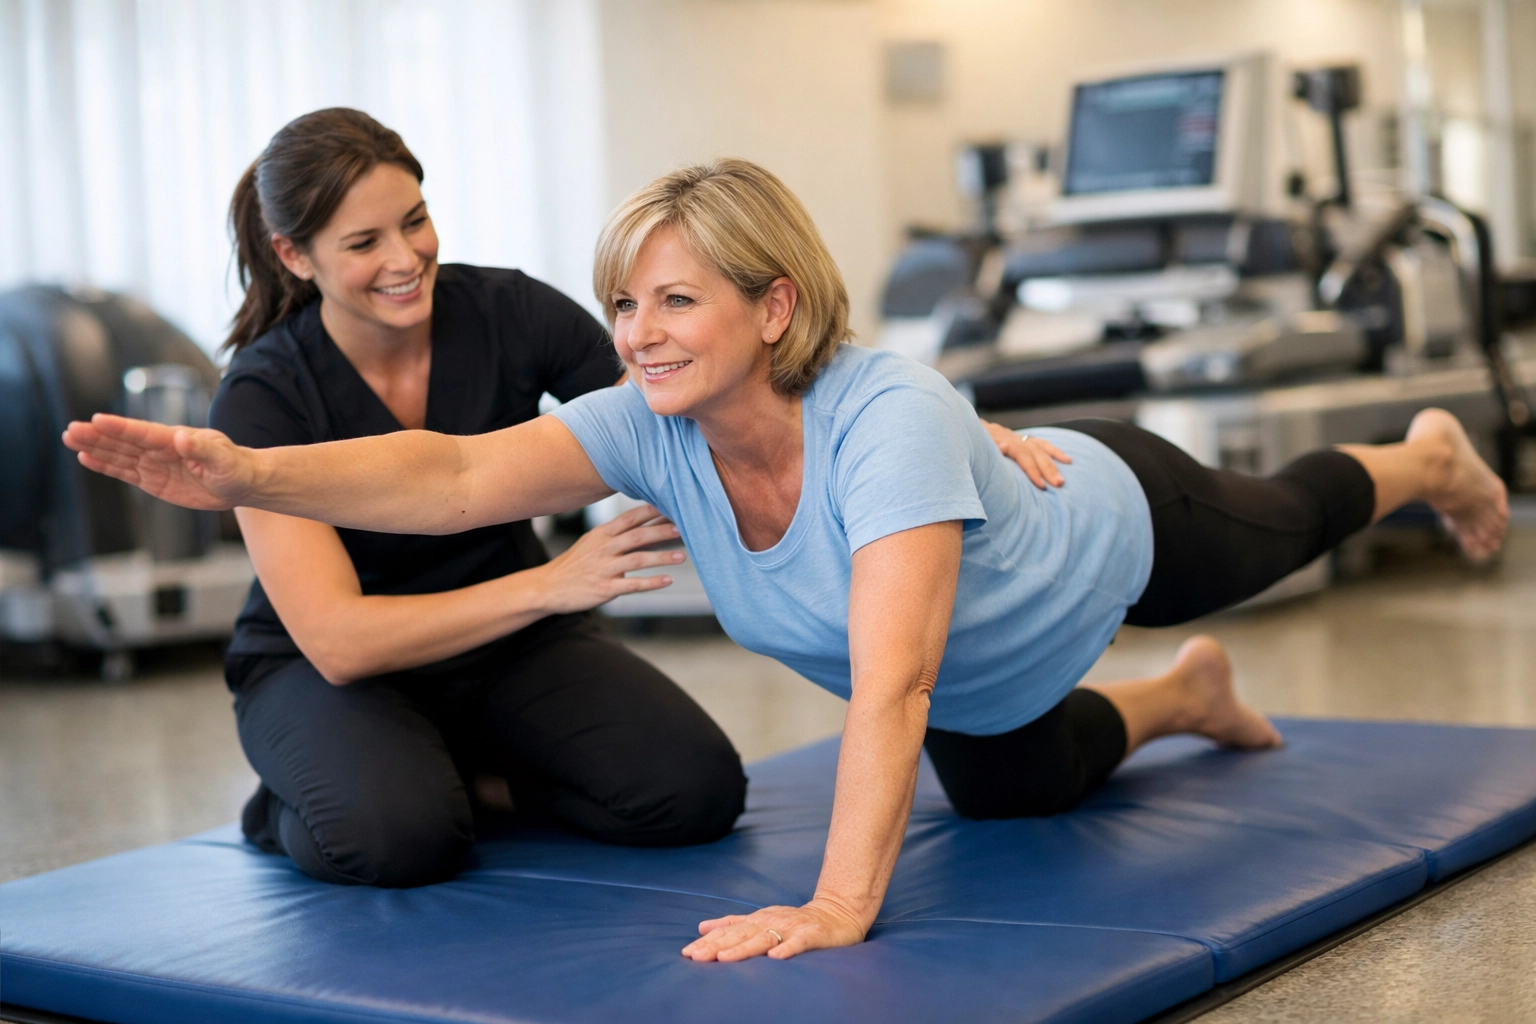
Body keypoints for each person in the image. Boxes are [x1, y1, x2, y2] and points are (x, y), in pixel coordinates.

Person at [65, 158, 1509, 959]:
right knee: (1012, 783)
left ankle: (1426, 458)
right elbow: (446, 478)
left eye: (675, 300)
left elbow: (888, 691)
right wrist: (247, 471)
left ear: (773, 306)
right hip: (994, 677)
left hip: (1113, 525)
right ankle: (1184, 699)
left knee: (1286, 518)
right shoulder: (651, 424)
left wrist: (837, 905)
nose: (635, 332)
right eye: (624, 301)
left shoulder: (881, 425)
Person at [197, 107, 755, 888]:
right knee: (399, 839)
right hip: (331, 672)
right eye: (363, 243)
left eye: (414, 222)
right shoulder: (263, 395)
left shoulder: (507, 311)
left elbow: (662, 405)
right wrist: (551, 584)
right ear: (294, 255)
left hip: (509, 648)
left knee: (693, 792)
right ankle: (302, 800)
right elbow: (339, 641)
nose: (405, 257)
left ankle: (473, 781)